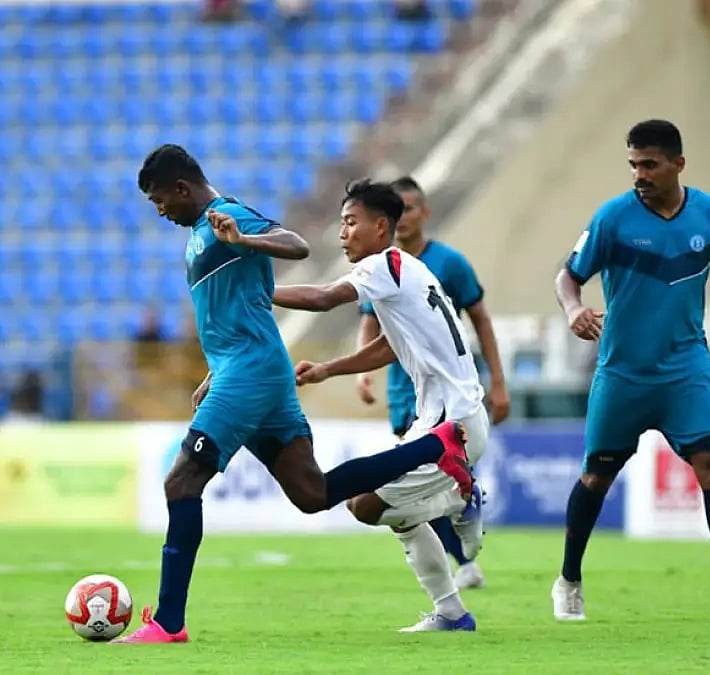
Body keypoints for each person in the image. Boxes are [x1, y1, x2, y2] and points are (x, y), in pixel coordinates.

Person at [118, 145, 473, 644]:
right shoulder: (201, 232)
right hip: (248, 370)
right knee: (313, 494)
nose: (160, 211)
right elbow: (239, 310)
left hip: (250, 374)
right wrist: (215, 372)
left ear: (182, 188)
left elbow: (296, 244)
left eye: (160, 200)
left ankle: (169, 623)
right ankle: (437, 446)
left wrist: (244, 238)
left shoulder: (227, 217)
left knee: (181, 483)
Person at [550, 120, 710, 622]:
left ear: (678, 164)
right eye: (633, 165)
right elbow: (568, 275)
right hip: (623, 372)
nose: (640, 175)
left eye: (649, 164)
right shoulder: (612, 218)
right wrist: (573, 308)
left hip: (685, 370)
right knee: (596, 478)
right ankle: (568, 580)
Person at [273, 179, 489, 631]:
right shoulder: (408, 269)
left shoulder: (383, 265)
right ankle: (451, 612)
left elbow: (324, 298)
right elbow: (392, 346)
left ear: (381, 226)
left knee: (365, 505)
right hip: (444, 418)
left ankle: (460, 497)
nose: (342, 233)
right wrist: (330, 369)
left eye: (351, 222)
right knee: (389, 513)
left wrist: (257, 291)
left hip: (452, 426)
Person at [356, 176, 510, 590]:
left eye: (410, 208)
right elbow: (371, 321)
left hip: (446, 394)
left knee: (427, 480)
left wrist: (498, 381)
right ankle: (456, 569)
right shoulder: (379, 265)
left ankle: (462, 562)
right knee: (413, 488)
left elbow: (480, 319)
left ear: (424, 213)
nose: (404, 217)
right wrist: (362, 371)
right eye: (398, 209)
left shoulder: (448, 263)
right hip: (403, 390)